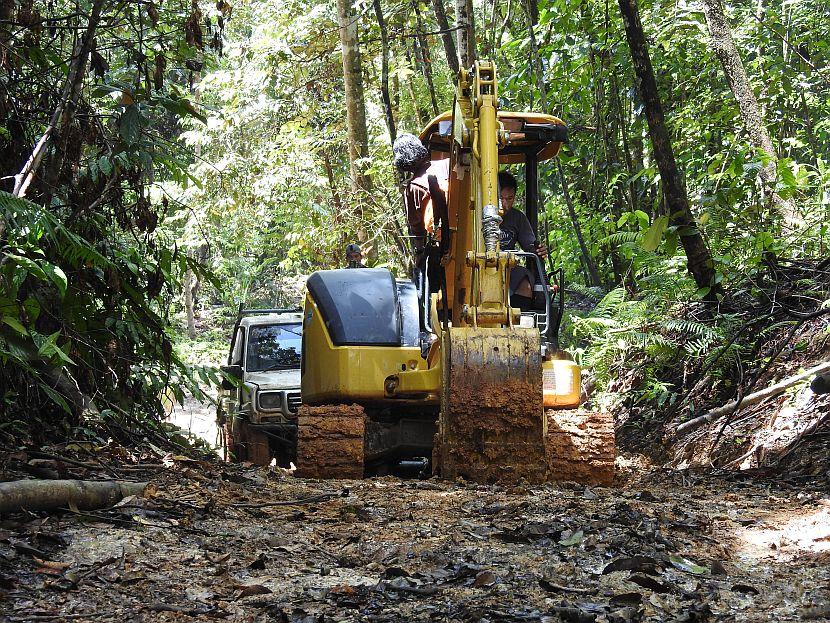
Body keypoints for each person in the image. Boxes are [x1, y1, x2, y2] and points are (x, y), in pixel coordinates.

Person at [497, 170, 547, 309]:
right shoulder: (477, 216)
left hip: (508, 268)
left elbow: (530, 245)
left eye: (509, 198)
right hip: (480, 265)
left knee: (524, 282)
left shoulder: (518, 218)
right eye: (501, 198)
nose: (505, 205)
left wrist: (538, 250)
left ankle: (519, 323)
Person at [393, 133, 450, 252]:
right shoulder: (447, 164)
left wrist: (419, 255)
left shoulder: (413, 188)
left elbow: (418, 231)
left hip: (445, 247)